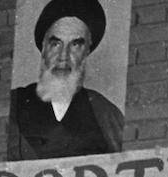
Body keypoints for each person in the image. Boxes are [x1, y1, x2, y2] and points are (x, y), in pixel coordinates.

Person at [7, 0, 123, 160]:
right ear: (44, 47)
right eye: (55, 44)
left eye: (75, 44)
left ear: (87, 50)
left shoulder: (105, 113)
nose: (63, 56)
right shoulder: (13, 104)